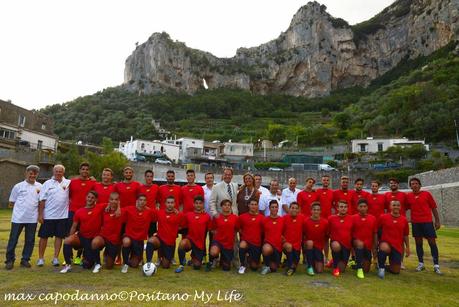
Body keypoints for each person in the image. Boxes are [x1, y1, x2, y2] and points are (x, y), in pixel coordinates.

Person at [5, 165, 42, 270]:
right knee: (13, 240)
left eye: (35, 173)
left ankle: (25, 259)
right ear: (26, 173)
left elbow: (40, 202)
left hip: (32, 219)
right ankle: (9, 260)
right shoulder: (18, 186)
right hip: (18, 219)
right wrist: (19, 211)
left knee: (30, 240)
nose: (32, 175)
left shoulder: (40, 186)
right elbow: (11, 202)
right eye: (31, 173)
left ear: (37, 175)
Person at [60, 191, 105, 273]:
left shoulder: (100, 207)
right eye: (89, 197)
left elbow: (112, 203)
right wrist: (71, 236)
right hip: (83, 237)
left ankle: (98, 264)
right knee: (67, 240)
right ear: (86, 197)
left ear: (96, 199)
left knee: (87, 265)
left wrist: (115, 208)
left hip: (95, 237)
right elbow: (74, 226)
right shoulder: (79, 211)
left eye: (92, 198)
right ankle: (68, 264)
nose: (90, 199)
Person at [37, 164, 71, 267]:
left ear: (63, 172)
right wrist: (40, 215)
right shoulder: (47, 183)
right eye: (56, 171)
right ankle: (41, 258)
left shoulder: (68, 182)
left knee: (59, 237)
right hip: (48, 216)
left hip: (62, 216)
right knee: (43, 237)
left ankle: (55, 258)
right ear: (53, 172)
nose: (58, 173)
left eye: (60, 171)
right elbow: (42, 200)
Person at [406, 177, 442, 275]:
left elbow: (434, 208)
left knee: (432, 243)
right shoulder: (408, 196)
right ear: (410, 186)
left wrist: (437, 221)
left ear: (420, 185)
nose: (415, 185)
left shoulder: (427, 194)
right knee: (418, 243)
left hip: (427, 222)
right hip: (416, 223)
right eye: (412, 184)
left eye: (416, 183)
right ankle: (421, 263)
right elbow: (404, 208)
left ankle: (436, 265)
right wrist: (406, 219)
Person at [68, 162, 96, 265]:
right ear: (80, 170)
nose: (85, 171)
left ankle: (79, 257)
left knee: (84, 235)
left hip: (86, 213)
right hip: (73, 211)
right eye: (83, 169)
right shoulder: (72, 182)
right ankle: (69, 257)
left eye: (87, 169)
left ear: (89, 171)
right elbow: (69, 196)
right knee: (70, 233)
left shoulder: (93, 183)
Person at [120, 194, 156, 273]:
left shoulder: (149, 211)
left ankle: (135, 258)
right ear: (137, 201)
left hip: (139, 241)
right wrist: (108, 205)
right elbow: (118, 210)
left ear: (146, 202)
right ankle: (125, 263)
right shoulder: (129, 209)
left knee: (134, 265)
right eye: (140, 200)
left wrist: (174, 210)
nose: (142, 202)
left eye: (144, 200)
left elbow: (161, 215)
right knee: (126, 242)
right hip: (129, 236)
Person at [146, 196, 183, 269]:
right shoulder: (160, 212)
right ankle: (148, 263)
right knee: (151, 241)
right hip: (159, 239)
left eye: (172, 203)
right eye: (168, 202)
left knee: (166, 265)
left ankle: (163, 258)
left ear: (175, 204)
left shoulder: (179, 215)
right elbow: (148, 210)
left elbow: (182, 225)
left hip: (169, 243)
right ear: (165, 203)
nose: (170, 204)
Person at [176, 195, 211, 273]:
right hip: (190, 241)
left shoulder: (207, 216)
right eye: (196, 203)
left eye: (200, 203)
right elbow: (181, 227)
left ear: (203, 204)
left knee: (197, 266)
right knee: (182, 243)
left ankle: (192, 260)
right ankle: (181, 265)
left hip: (199, 244)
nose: (198, 205)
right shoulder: (188, 215)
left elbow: (210, 230)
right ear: (193, 204)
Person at [91, 192, 123, 273]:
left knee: (109, 266)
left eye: (116, 200)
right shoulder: (104, 208)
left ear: (119, 201)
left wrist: (119, 207)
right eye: (112, 199)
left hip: (113, 240)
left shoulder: (122, 211)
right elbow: (92, 205)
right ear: (109, 200)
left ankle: (106, 254)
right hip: (103, 236)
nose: (113, 201)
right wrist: (108, 205)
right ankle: (97, 263)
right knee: (95, 242)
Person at [377, 200, 410, 279]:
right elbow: (377, 230)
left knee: (396, 271)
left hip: (397, 246)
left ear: (400, 207)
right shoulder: (383, 217)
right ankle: (381, 267)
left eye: (398, 205)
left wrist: (408, 247)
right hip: (386, 244)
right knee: (384, 247)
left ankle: (388, 266)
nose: (396, 207)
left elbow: (405, 235)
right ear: (390, 207)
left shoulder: (404, 220)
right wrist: (377, 244)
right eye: (394, 205)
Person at [207, 199, 239, 271]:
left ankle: (223, 260)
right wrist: (217, 233)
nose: (227, 207)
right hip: (218, 241)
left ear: (231, 207)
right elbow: (211, 229)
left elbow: (237, 229)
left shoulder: (235, 218)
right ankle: (213, 261)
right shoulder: (217, 217)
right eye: (225, 205)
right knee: (214, 252)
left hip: (228, 244)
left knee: (226, 268)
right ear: (221, 206)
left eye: (228, 205)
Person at [352, 198, 377, 279]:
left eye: (364, 206)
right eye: (361, 206)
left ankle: (356, 264)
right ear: (357, 207)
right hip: (357, 244)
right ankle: (359, 268)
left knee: (366, 270)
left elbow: (375, 233)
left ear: (367, 207)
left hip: (368, 246)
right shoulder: (353, 218)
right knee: (360, 244)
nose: (363, 208)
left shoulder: (372, 218)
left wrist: (376, 245)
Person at [238, 199, 264, 274]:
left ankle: (249, 259)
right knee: (242, 245)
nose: (253, 206)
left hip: (256, 244)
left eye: (255, 204)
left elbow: (263, 231)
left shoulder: (262, 218)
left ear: (257, 206)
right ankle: (242, 265)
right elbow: (238, 228)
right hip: (246, 241)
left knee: (254, 267)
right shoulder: (242, 217)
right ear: (248, 205)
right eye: (252, 204)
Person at [328, 200, 353, 277]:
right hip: (336, 243)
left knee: (342, 269)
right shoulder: (331, 218)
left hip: (346, 245)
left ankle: (333, 262)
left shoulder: (352, 219)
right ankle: (335, 267)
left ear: (347, 208)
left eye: (345, 207)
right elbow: (327, 231)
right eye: (341, 207)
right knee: (336, 245)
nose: (343, 208)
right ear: (337, 208)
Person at [303, 202, 329, 275]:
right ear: (311, 211)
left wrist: (326, 257)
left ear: (320, 211)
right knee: (310, 242)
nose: (316, 211)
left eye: (318, 210)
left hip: (318, 248)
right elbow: (303, 237)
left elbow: (326, 240)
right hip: (309, 246)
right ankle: (309, 266)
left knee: (319, 270)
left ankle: (315, 260)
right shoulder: (306, 222)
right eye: (314, 209)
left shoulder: (325, 222)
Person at [260, 200, 284, 275]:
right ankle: (266, 266)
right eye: (272, 207)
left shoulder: (282, 220)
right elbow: (261, 233)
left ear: (278, 208)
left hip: (278, 247)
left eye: (276, 207)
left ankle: (272, 264)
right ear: (269, 208)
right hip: (268, 245)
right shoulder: (264, 220)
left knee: (274, 269)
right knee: (266, 248)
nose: (274, 209)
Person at [316, 174, 333, 264]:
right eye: (324, 180)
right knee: (319, 239)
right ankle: (318, 256)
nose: (325, 181)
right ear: (321, 181)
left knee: (326, 239)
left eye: (327, 180)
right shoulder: (318, 191)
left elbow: (334, 205)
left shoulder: (331, 192)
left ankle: (326, 257)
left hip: (328, 220)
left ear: (328, 182)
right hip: (320, 219)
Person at [282, 202, 303, 276]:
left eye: (296, 208)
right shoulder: (284, 218)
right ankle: (289, 267)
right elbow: (279, 232)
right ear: (289, 209)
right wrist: (283, 240)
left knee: (295, 262)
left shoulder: (302, 218)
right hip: (287, 245)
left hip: (297, 246)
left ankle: (289, 263)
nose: (294, 209)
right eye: (292, 208)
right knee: (289, 247)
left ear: (299, 210)